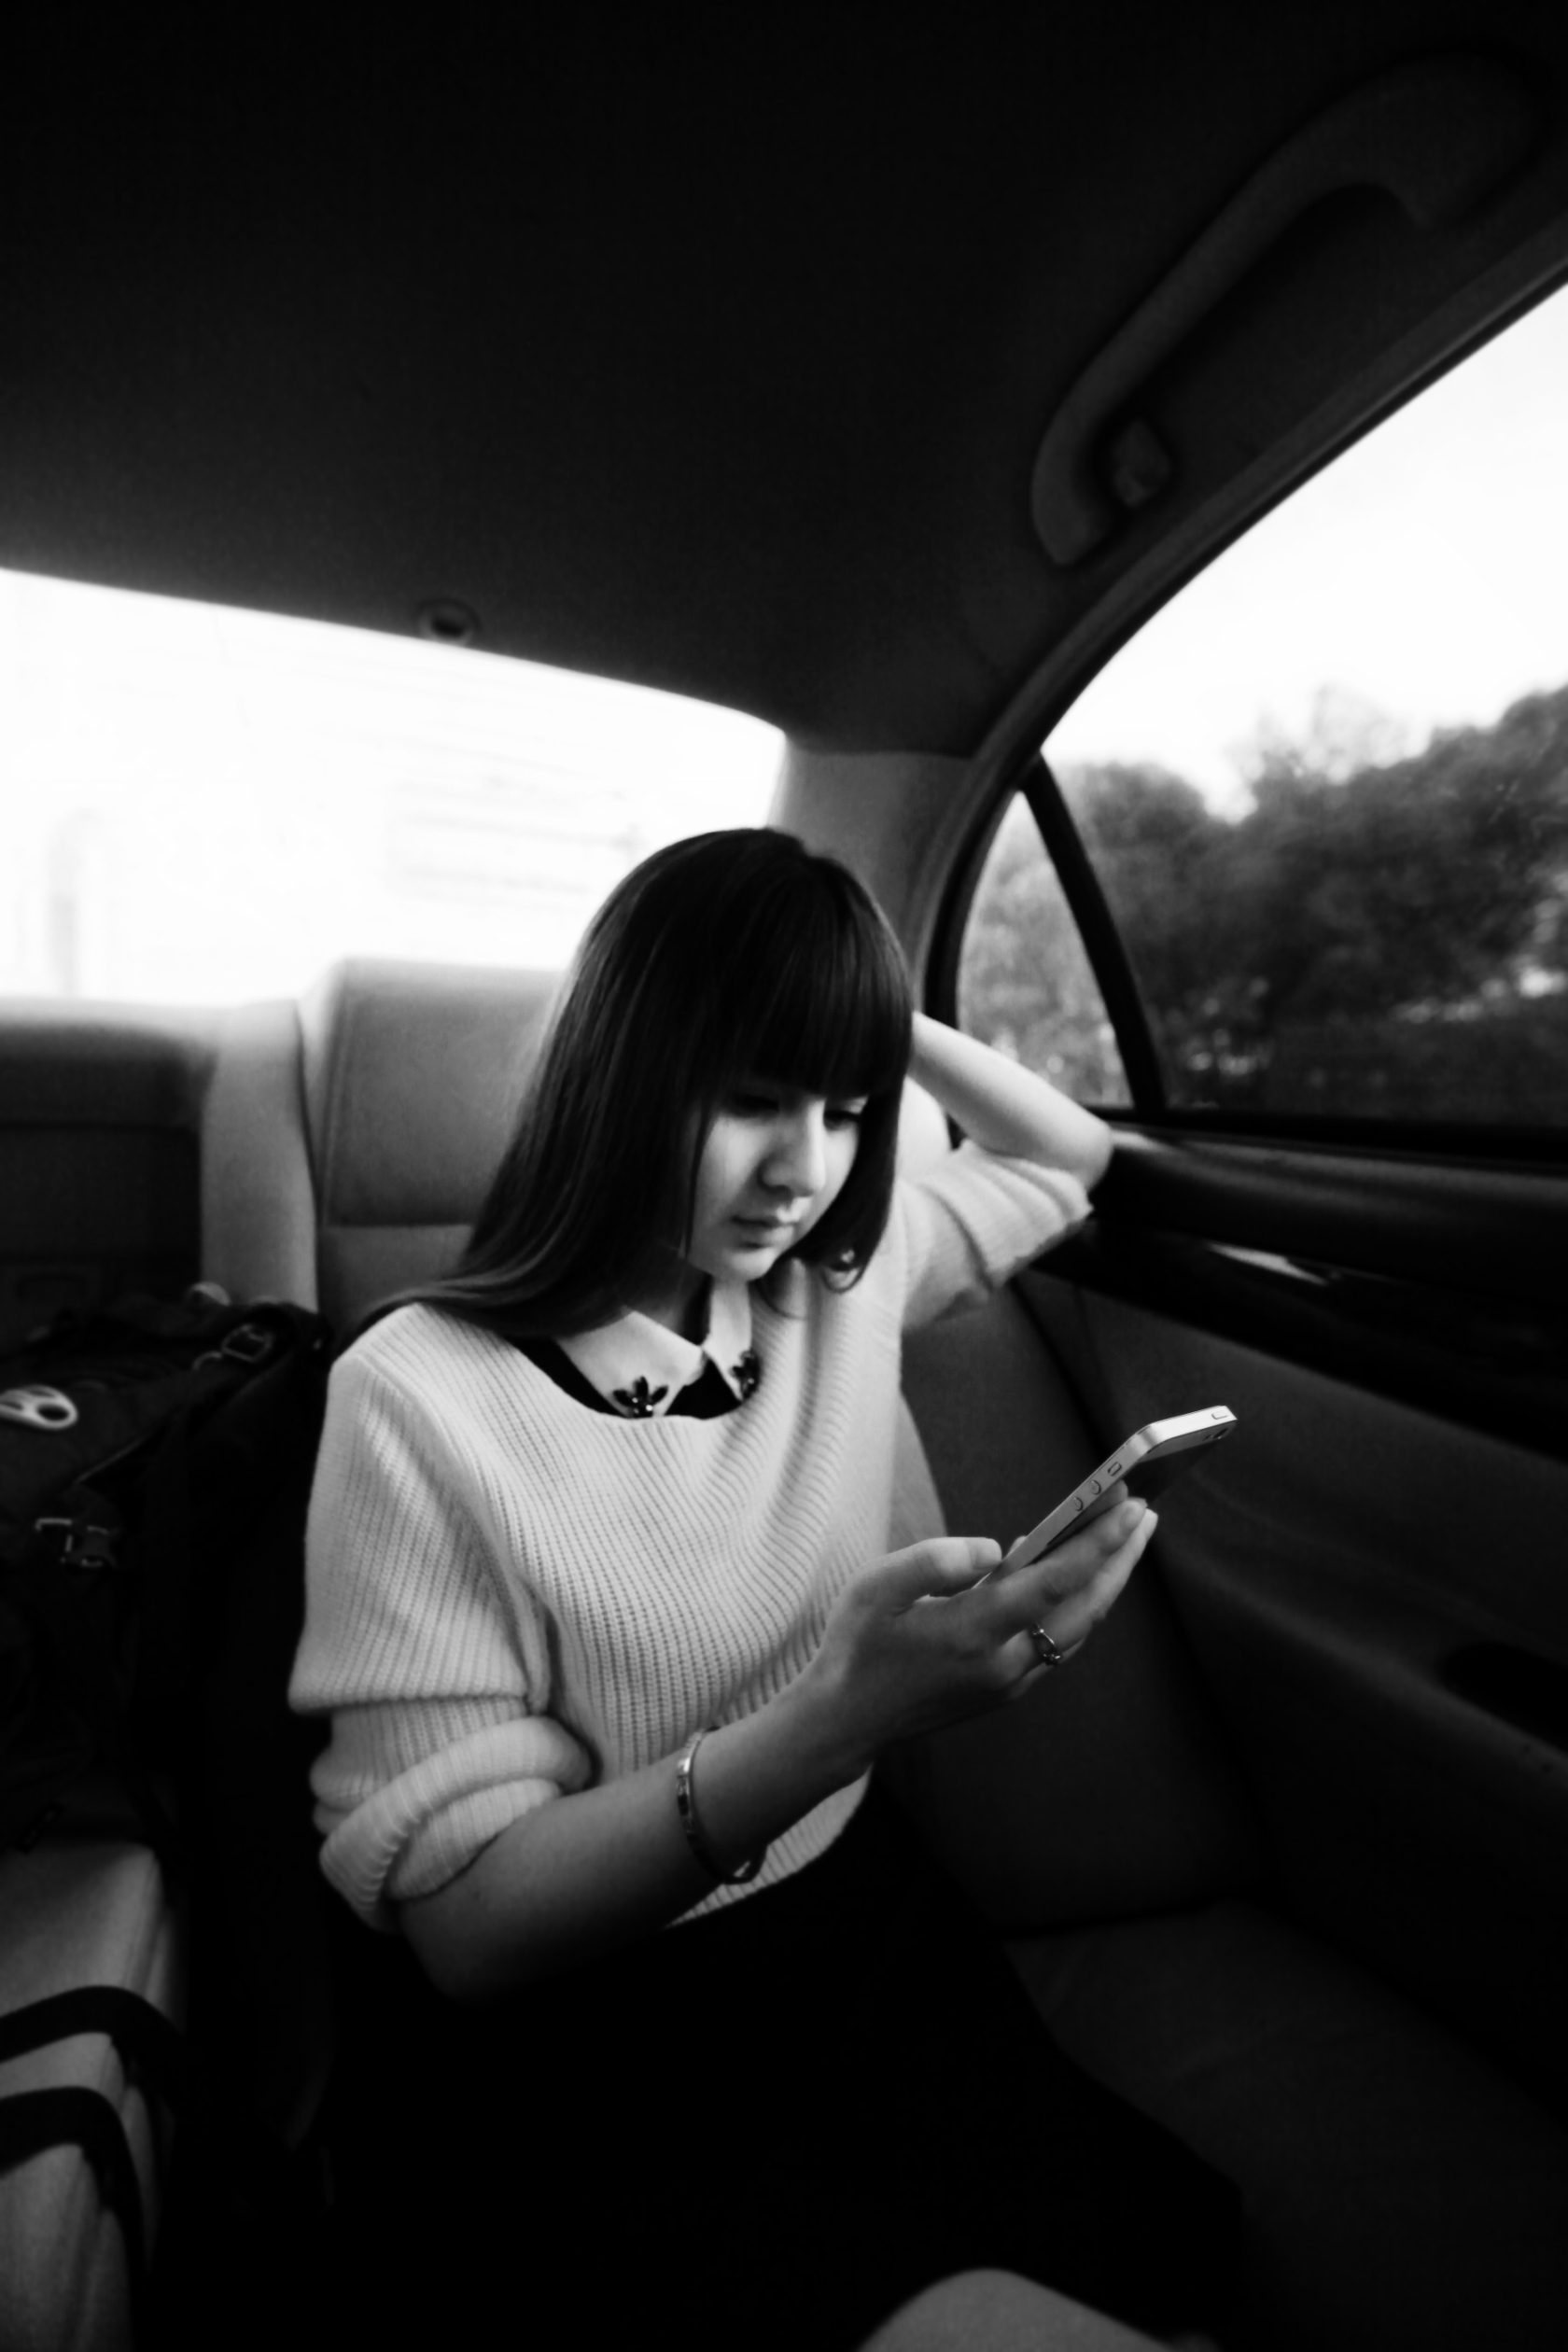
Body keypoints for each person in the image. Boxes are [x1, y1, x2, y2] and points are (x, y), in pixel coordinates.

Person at [289, 828, 1238, 2349]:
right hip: (606, 2035)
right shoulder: (417, 1395)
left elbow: (1067, 1158)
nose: (806, 1171)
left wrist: (858, 1008)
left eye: (849, 1111)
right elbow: (468, 1933)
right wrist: (842, 1720)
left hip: (867, 1932)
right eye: (749, 1096)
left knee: (1168, 2284)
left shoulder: (831, 1290)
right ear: (620, 1070)